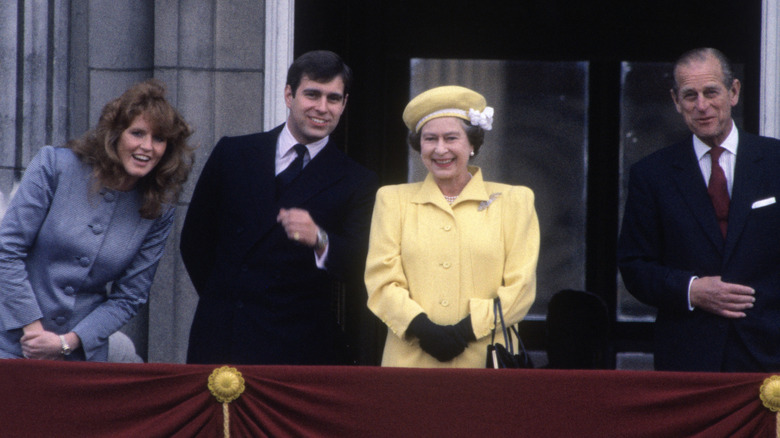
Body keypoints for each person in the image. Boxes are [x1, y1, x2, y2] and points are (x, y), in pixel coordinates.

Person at [181, 50, 378, 365]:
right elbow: (194, 241)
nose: (322, 108)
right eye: (312, 94)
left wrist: (320, 238)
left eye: (333, 98)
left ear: (344, 104)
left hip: (300, 344)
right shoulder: (233, 154)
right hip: (224, 335)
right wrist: (228, 300)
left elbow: (363, 264)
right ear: (289, 95)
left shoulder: (357, 180)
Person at [0, 79, 194, 361]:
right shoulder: (55, 166)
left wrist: (66, 343)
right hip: (11, 344)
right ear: (115, 134)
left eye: (159, 139)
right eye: (137, 133)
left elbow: (130, 296)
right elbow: (7, 251)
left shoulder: (158, 208)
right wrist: (32, 329)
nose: (147, 147)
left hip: (81, 357)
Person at [618, 47, 780, 372]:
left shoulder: (776, 161)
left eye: (711, 92)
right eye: (690, 95)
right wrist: (692, 289)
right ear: (676, 102)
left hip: (770, 353)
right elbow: (635, 266)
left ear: (733, 92)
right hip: (688, 359)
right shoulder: (652, 175)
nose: (702, 106)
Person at [364, 85, 539, 368]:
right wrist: (423, 329)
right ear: (419, 146)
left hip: (486, 361)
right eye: (430, 139)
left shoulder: (515, 201)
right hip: (410, 362)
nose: (440, 149)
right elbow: (380, 282)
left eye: (451, 138)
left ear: (472, 144)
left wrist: (466, 331)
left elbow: (521, 288)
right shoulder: (391, 200)